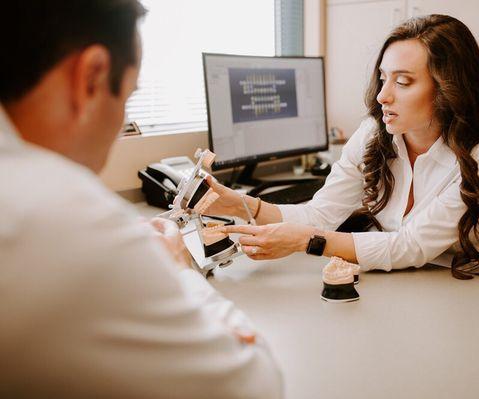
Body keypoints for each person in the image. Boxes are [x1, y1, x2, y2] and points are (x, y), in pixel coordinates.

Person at [0, 1, 282, 398]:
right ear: (92, 77)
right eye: (128, 95)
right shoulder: (63, 215)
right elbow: (252, 386)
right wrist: (178, 269)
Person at [206, 14, 479, 279]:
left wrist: (306, 241)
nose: (382, 96)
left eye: (403, 82)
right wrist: (240, 205)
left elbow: (411, 246)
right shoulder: (373, 134)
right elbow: (321, 215)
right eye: (383, 78)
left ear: (449, 89)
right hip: (404, 275)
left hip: (476, 282)